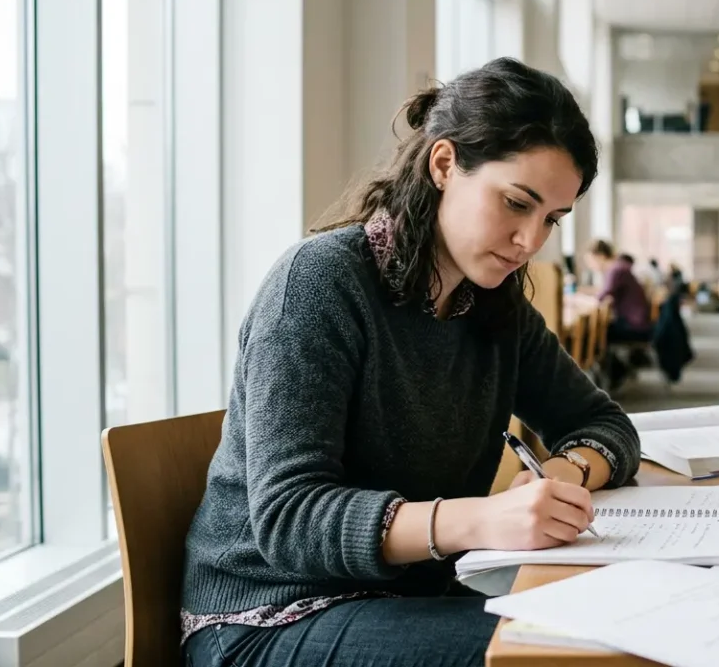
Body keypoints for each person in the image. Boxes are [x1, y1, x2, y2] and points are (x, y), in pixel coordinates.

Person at [180, 58, 640, 667]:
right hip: (268, 617)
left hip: (412, 594)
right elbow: (291, 519)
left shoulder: (494, 308)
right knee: (569, 654)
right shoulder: (320, 283)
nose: (530, 241)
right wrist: (479, 520)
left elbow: (607, 426)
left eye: (551, 220)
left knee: (614, 626)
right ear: (445, 164)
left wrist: (564, 474)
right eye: (515, 203)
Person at [583, 239, 653, 342]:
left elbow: (602, 295)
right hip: (635, 321)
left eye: (591, 261)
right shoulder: (618, 266)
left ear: (601, 256)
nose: (590, 266)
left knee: (591, 335)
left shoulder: (615, 269)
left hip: (633, 325)